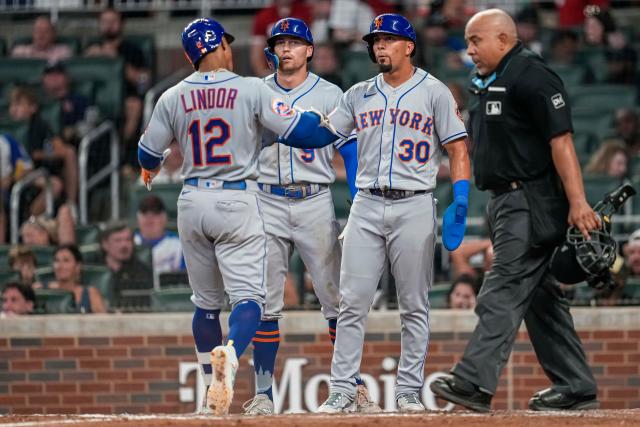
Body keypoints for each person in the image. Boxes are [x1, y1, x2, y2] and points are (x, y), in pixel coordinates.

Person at [137, 17, 342, 415]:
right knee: (251, 299)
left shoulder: (171, 96)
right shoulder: (250, 88)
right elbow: (303, 133)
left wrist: (153, 165)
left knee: (206, 304)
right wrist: (334, 123)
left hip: (192, 199)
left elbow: (147, 154)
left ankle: (207, 393)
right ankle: (229, 357)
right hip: (239, 199)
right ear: (223, 48)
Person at [279, 13, 471, 413]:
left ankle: (407, 391)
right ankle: (343, 389)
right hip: (366, 203)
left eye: (388, 39)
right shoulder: (358, 93)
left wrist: (462, 199)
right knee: (351, 302)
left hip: (415, 201)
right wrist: (284, 126)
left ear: (409, 45)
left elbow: (457, 148)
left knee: (414, 304)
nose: (379, 46)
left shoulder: (434, 91)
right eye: (376, 41)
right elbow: (323, 135)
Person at [430, 9, 600, 413]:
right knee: (541, 300)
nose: (469, 49)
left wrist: (578, 201)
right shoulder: (490, 81)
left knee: (502, 287)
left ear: (503, 39)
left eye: (476, 41)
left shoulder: (531, 75)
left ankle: (474, 382)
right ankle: (575, 385)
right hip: (506, 202)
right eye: (468, 42)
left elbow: (561, 141)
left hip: (528, 200)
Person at [243, 17, 376, 416]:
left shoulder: (330, 93)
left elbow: (349, 151)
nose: (287, 49)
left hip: (314, 198)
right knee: (265, 301)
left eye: (295, 43)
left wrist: (357, 202)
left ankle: (350, 387)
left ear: (309, 50)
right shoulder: (254, 92)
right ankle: (263, 396)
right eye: (280, 43)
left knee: (335, 297)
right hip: (265, 199)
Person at [85, 8, 151, 165]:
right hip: (94, 100)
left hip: (124, 99)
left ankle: (122, 151)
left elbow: (144, 82)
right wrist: (86, 59)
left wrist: (118, 61)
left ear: (121, 24)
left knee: (134, 105)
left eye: (112, 22)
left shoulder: (132, 50)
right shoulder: (91, 48)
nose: (108, 26)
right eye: (104, 22)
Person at [8, 86, 78, 214]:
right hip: (10, 171)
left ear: (33, 107)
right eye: (12, 105)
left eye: (19, 104)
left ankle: (31, 221)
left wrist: (42, 154)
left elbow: (58, 147)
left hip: (31, 171)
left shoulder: (39, 125)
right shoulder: (6, 127)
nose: (14, 109)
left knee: (55, 184)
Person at [39, 244, 107, 314]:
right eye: (56, 261)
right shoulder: (41, 289)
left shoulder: (90, 294)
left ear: (77, 266)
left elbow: (103, 322)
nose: (60, 265)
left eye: (66, 261)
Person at [250, 0, 312, 76]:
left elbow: (313, 45)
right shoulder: (263, 16)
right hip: (273, 71)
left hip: (304, 70)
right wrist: (263, 74)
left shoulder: (306, 12)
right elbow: (256, 52)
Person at [134, 195, 185, 287]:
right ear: (138, 219)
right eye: (144, 213)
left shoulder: (179, 245)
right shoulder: (128, 243)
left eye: (155, 213)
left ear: (164, 219)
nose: (149, 218)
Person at [99, 221, 153, 307]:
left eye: (128, 240)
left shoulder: (143, 272)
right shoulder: (93, 269)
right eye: (118, 240)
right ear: (105, 244)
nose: (124, 245)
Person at [41, 62, 91, 145]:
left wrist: (75, 130)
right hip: (42, 143)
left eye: (58, 74)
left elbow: (90, 123)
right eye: (49, 74)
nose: (53, 78)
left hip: (71, 144)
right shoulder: (39, 101)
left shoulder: (79, 100)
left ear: (67, 77)